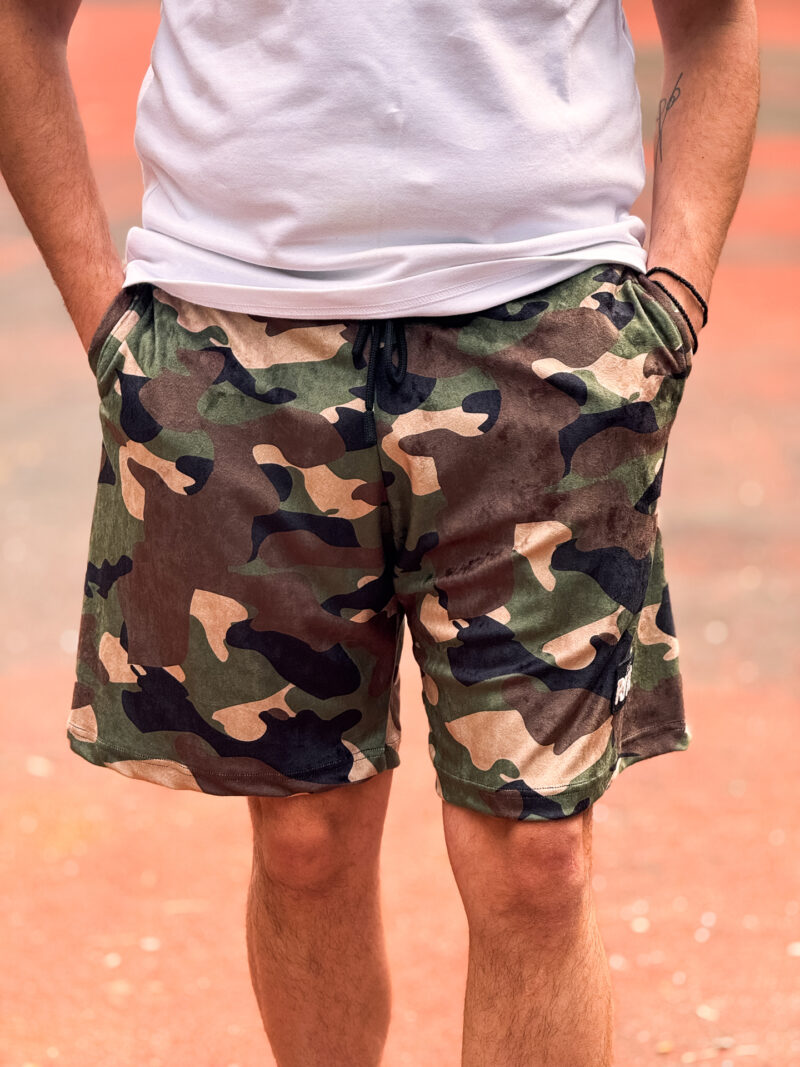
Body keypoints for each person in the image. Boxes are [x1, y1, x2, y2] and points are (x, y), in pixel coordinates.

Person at [1, 0, 759, 1063]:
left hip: (541, 338)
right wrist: (110, 330)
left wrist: (669, 309)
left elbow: (713, 23)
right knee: (305, 840)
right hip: (234, 344)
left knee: (536, 860)